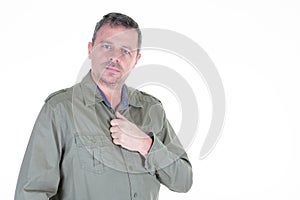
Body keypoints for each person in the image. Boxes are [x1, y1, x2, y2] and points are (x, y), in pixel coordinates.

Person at [15, 12, 193, 200]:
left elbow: (183, 182)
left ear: (136, 60)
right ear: (90, 50)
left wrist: (146, 145)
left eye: (125, 51)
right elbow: (31, 193)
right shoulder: (60, 109)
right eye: (107, 46)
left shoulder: (152, 109)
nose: (114, 57)